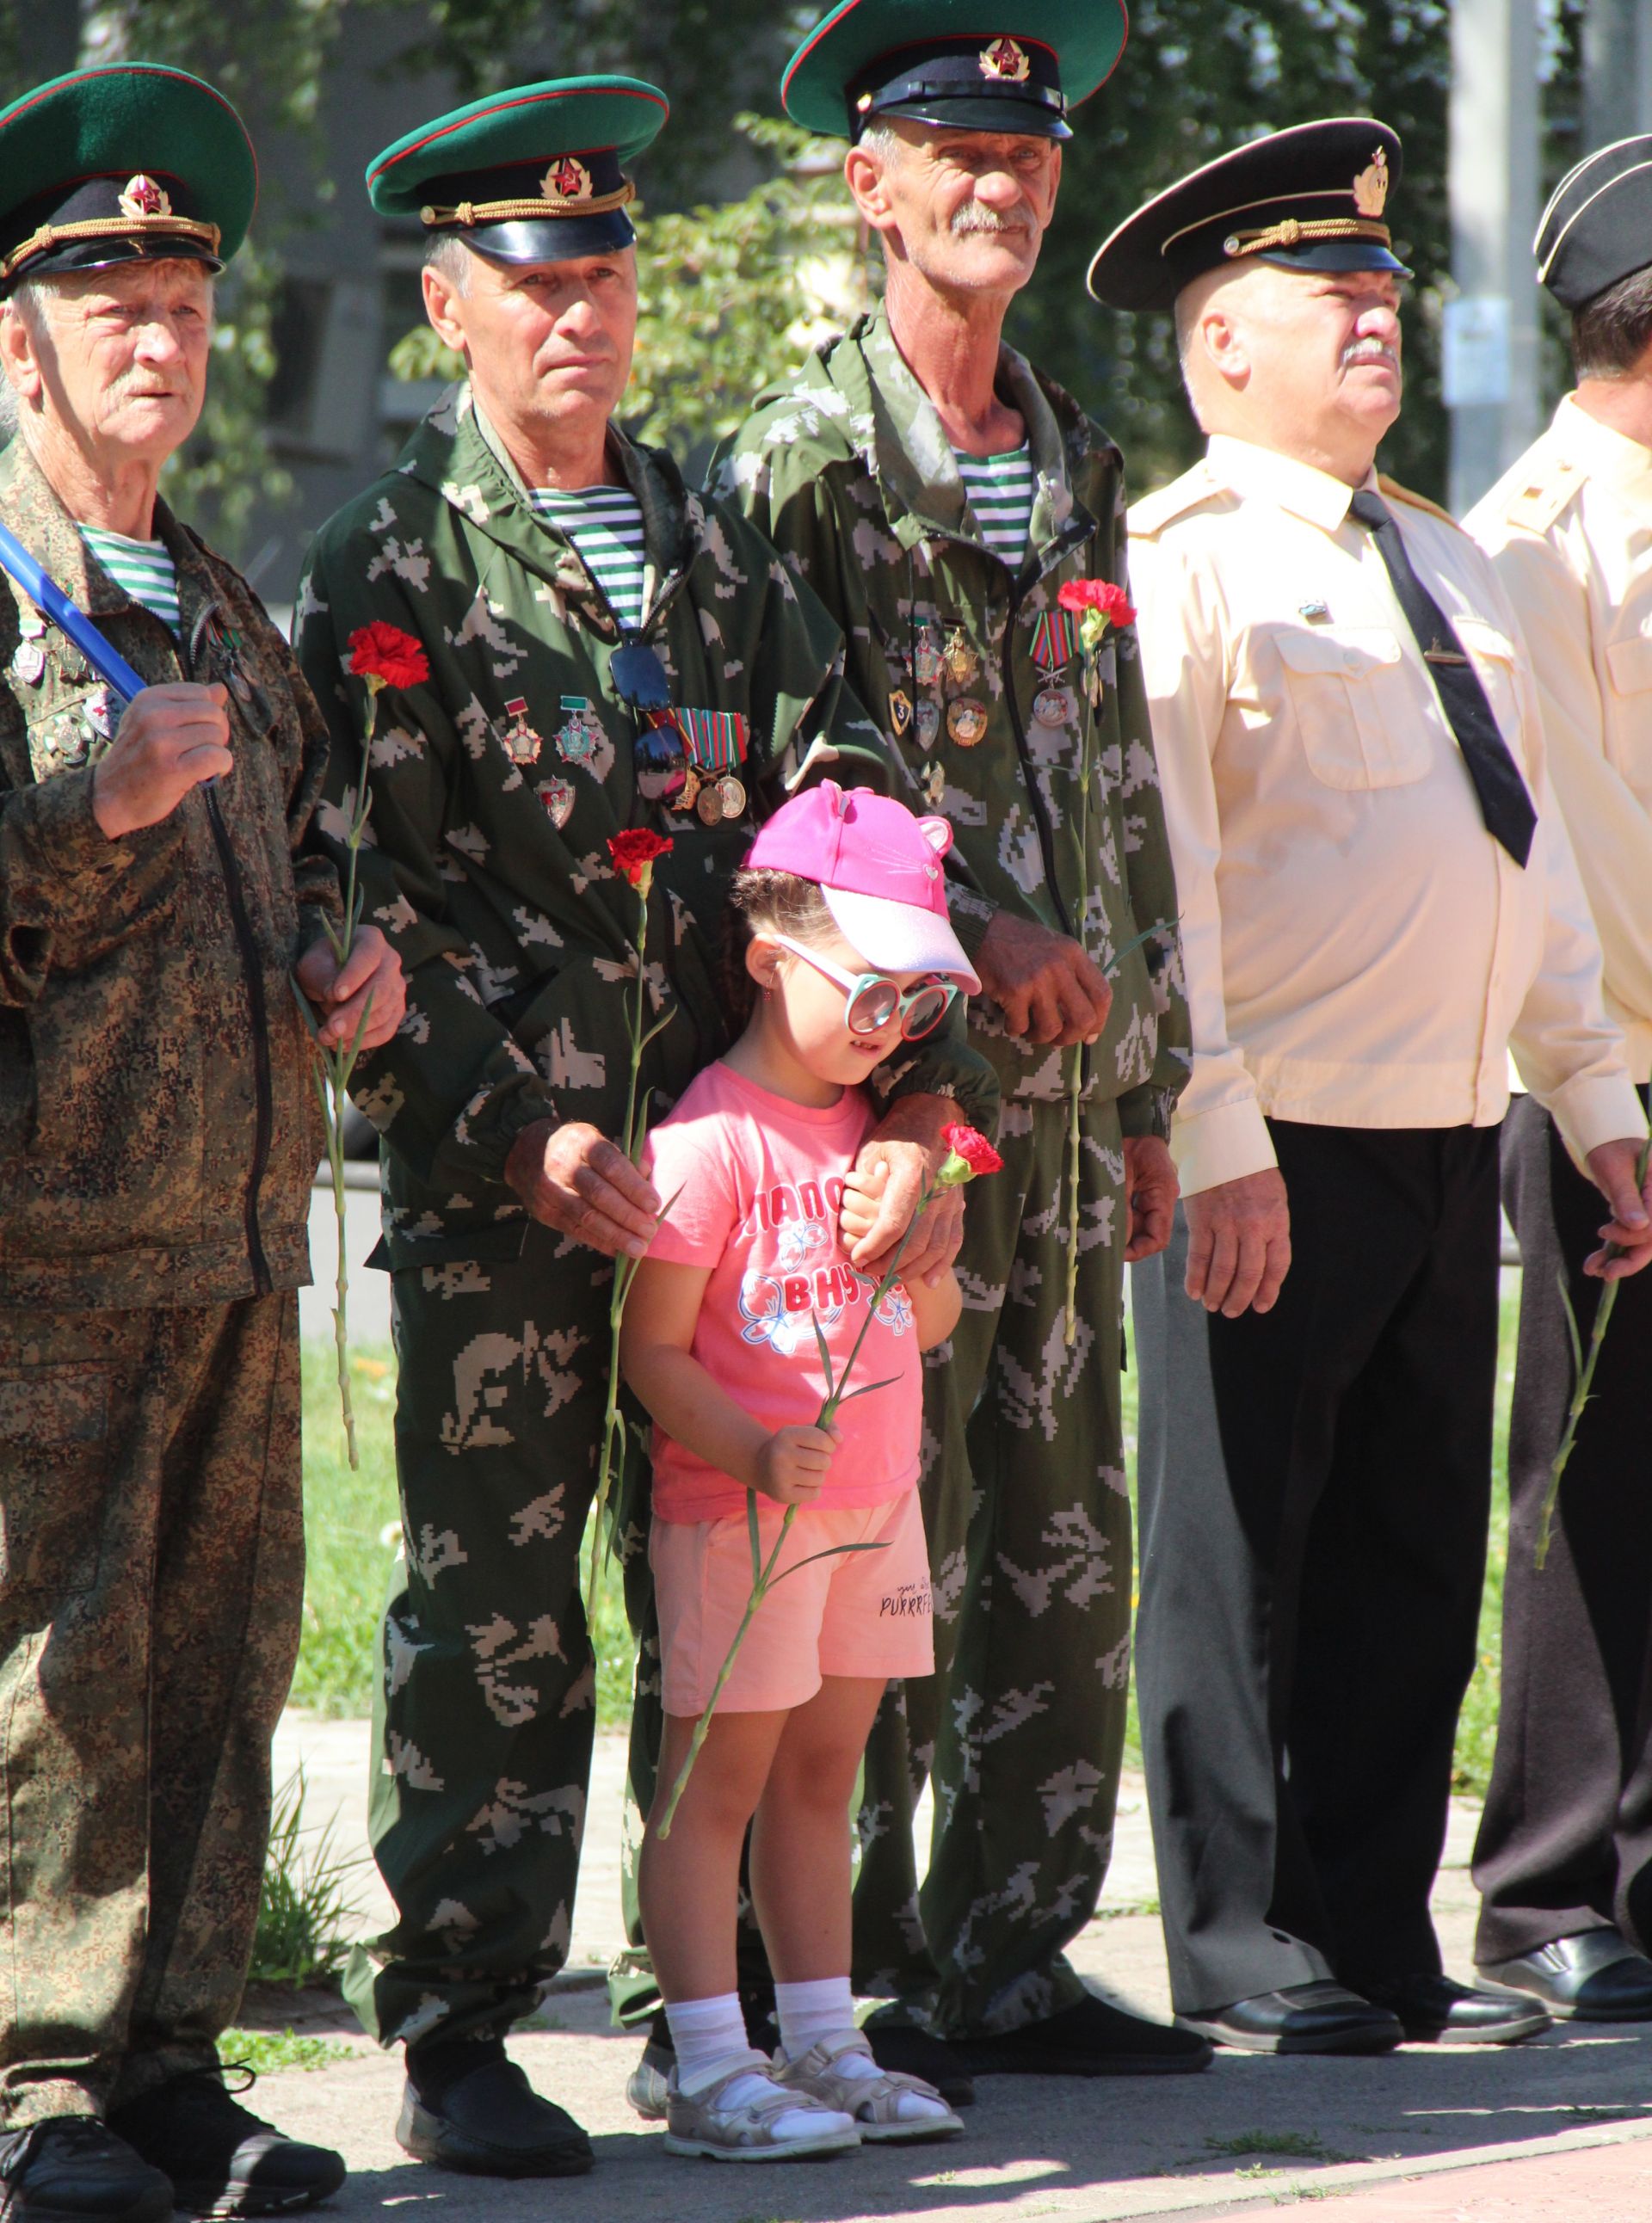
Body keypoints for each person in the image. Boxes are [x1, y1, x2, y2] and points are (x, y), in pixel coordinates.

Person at [294, 76, 996, 2180]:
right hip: (519, 1198)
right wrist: (510, 1128)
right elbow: (356, 898)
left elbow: (848, 808)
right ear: (449, 305)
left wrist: (917, 1091)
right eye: (536, 283)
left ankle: (755, 2019)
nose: (580, 314)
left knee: (765, 1599)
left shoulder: (703, 538)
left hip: (744, 1172)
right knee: (494, 1606)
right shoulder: (387, 560)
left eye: (606, 274)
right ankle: (465, 2027)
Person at [1092, 117, 1652, 2056]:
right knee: (1243, 1546)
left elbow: (1535, 860)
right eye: (1328, 297)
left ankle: (1373, 1929)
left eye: (1384, 294)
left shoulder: (1440, 549)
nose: (1373, 321)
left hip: (1438, 1123)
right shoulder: (1177, 565)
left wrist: (1592, 1090)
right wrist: (1213, 1130)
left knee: (1410, 1550)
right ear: (1216, 345)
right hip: (1280, 1135)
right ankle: (1245, 1939)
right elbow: (1165, 872)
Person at [699, 0, 1199, 2094]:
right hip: (880, 1113)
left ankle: (1006, 1952)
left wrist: (1159, 1079)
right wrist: (958, 957)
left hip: (1071, 1111)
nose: (993, 182)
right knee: (854, 1542)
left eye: (1024, 153)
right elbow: (774, 812)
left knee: (1055, 1530)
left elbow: (1121, 781)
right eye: (950, 153)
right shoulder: (791, 460)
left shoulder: (1078, 453)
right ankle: (804, 1974)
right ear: (868, 183)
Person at [0, 62, 405, 2223]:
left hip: (241, 1238)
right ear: (19, 340)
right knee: (49, 1674)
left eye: (181, 300)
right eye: (108, 302)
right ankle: (28, 2081)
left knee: (218, 1664)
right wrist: (86, 813)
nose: (155, 337)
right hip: (47, 1245)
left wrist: (354, 966)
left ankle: (167, 2054)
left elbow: (312, 846)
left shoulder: (222, 599)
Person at [625, 782, 976, 2159]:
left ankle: (824, 2040)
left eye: (919, 1004)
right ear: (774, 960)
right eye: (872, 993)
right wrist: (757, 1449)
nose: (894, 1027)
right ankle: (713, 2061)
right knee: (715, 1783)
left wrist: (930, 1261)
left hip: (874, 1508)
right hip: (739, 1517)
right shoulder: (705, 1144)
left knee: (826, 1779)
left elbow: (921, 1322)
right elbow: (656, 1354)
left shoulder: (890, 1143)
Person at [1459, 139, 1652, 2023]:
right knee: (1591, 1480)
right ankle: (1548, 1887)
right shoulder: (1540, 532)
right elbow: (1581, 846)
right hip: (1619, 1074)